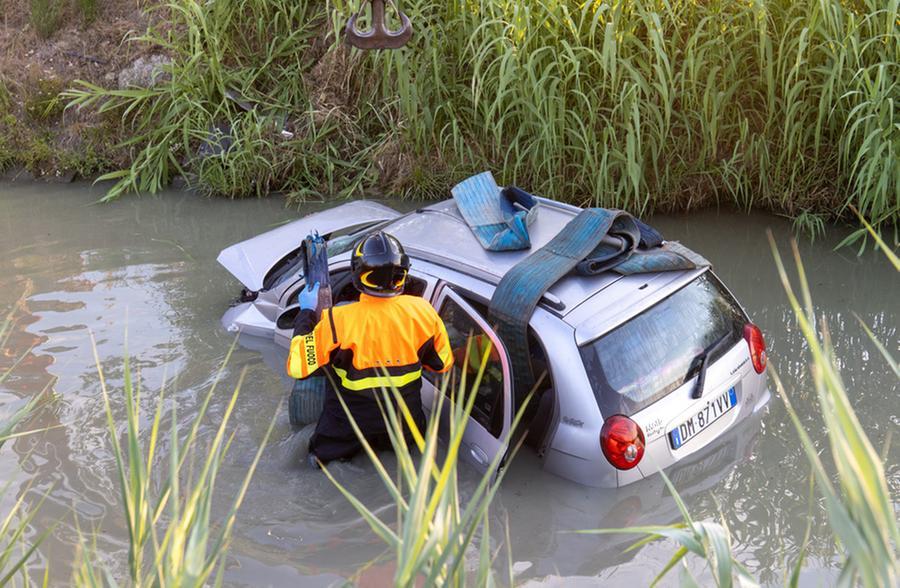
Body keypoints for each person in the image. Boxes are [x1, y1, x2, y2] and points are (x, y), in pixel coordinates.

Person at [286, 231, 454, 465]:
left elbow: (298, 366)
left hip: (347, 429)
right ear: (403, 275)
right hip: (405, 428)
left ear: (358, 274)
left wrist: (306, 314)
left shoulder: (337, 320)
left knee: (319, 463)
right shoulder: (424, 313)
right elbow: (442, 364)